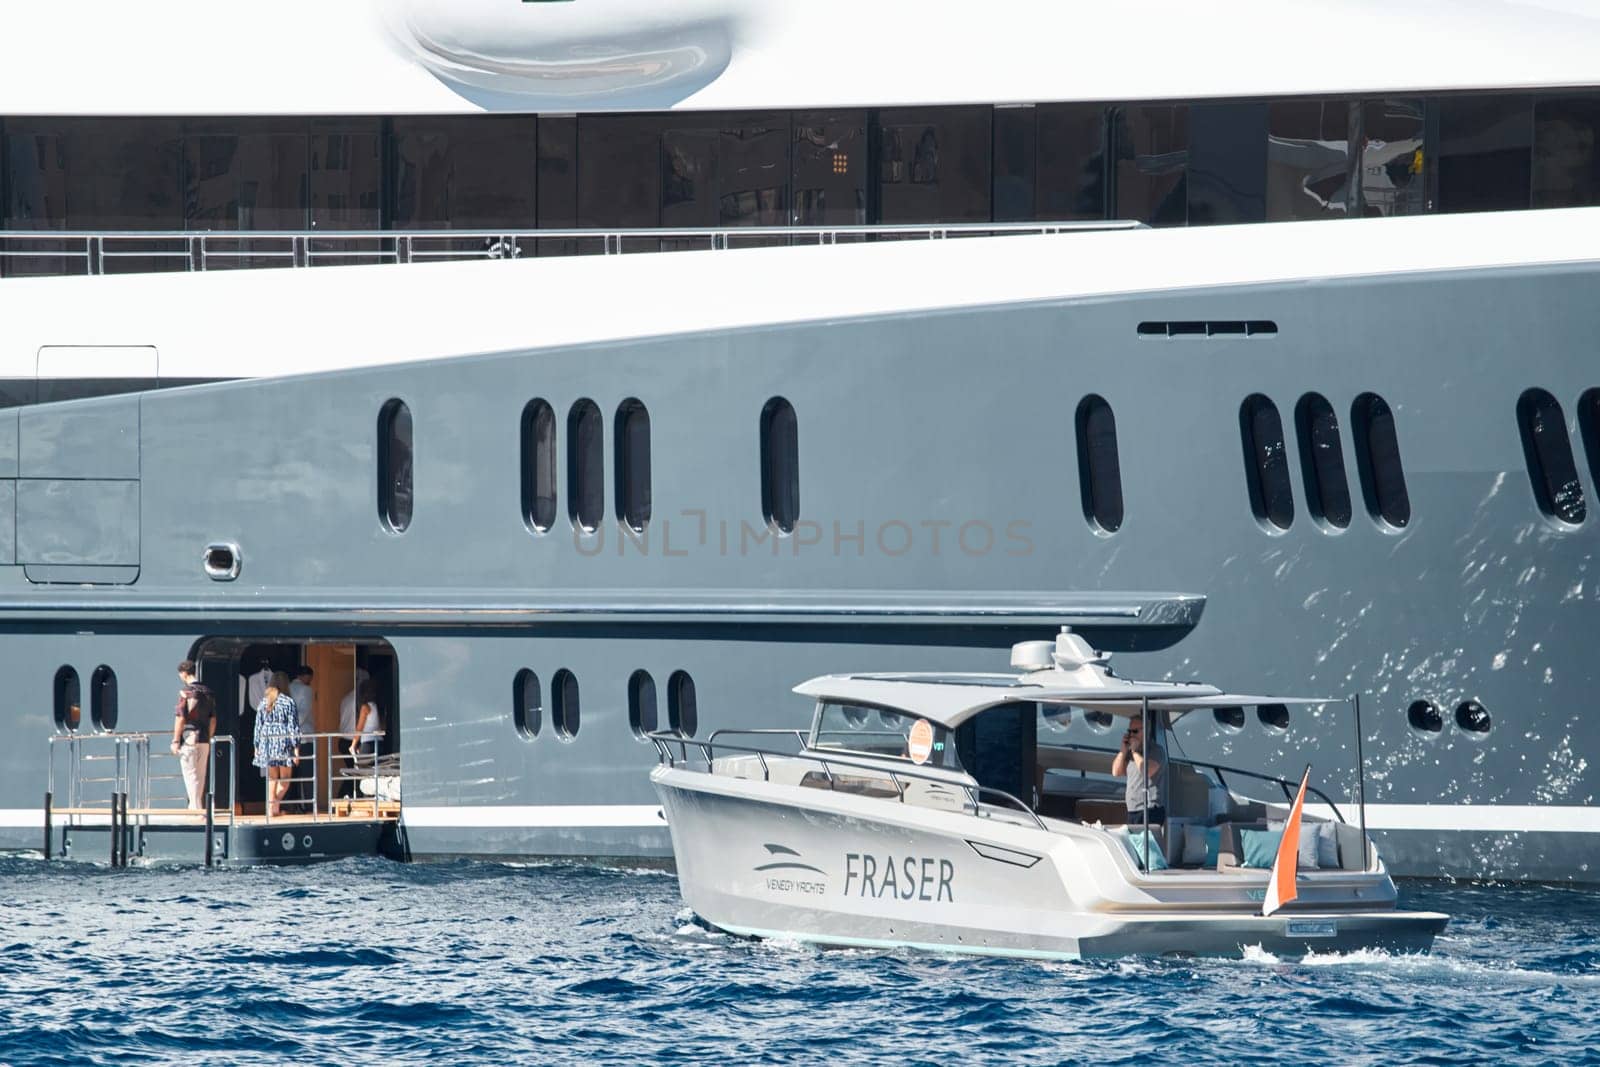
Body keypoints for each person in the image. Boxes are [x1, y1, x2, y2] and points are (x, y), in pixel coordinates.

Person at [253, 670, 301, 817]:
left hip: (266, 741)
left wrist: (256, 745)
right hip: (283, 740)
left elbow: (258, 725)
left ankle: (272, 808)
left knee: (272, 777)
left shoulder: (264, 702)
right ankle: (275, 805)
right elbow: (293, 727)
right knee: (286, 778)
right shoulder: (288, 702)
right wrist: (296, 748)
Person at [170, 659, 215, 810]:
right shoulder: (208, 692)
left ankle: (195, 808)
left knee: (190, 775)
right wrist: (209, 736)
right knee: (201, 775)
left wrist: (176, 740)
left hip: (190, 738)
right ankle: (196, 806)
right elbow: (213, 718)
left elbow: (180, 717)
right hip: (204, 739)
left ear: (184, 673)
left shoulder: (186, 692)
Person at [1111, 714, 1165, 829]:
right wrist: (1123, 751)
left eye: (1135, 731)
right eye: (1129, 731)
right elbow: (1116, 772)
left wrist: (1135, 752)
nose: (1131, 735)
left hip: (1149, 809)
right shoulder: (1129, 753)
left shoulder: (1156, 750)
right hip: (1133, 809)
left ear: (1146, 731)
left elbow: (1147, 771)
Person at [335, 668, 369, 799]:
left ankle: (348, 795)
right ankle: (342, 795)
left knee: (353, 770)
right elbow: (360, 723)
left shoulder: (346, 698)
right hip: (352, 740)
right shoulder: (360, 701)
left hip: (343, 739)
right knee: (355, 772)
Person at [289, 665, 316, 811]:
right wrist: (294, 729)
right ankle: (309, 805)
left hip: (287, 736)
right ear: (306, 676)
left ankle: (293, 805)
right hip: (304, 735)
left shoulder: (287, 687)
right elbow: (304, 713)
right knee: (307, 774)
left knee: (290, 773)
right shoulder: (306, 690)